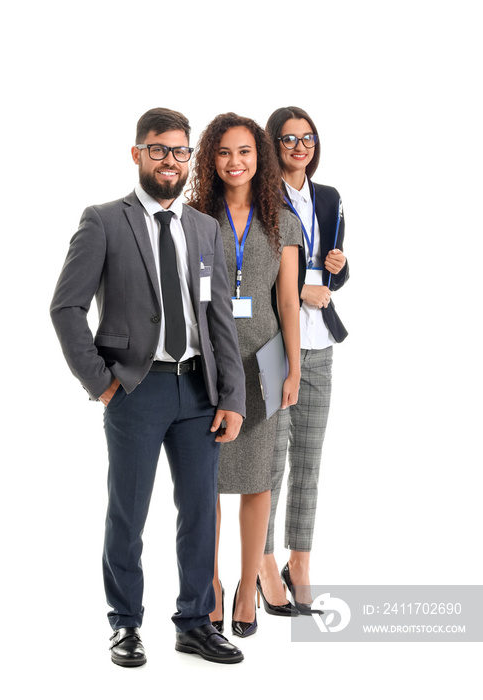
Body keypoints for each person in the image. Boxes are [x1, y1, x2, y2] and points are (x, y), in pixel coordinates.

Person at [50, 108, 247, 666]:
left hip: (199, 394)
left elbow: (220, 321)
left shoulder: (204, 228)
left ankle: (193, 622)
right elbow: (66, 308)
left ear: (189, 159)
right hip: (135, 392)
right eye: (158, 150)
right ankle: (126, 624)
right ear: (137, 154)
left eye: (180, 151)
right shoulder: (104, 220)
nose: (170, 161)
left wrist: (231, 397)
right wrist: (104, 386)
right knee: (128, 513)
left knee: (200, 513)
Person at [188, 113, 301, 637]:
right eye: (224, 152)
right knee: (203, 482)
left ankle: (245, 585)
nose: (236, 162)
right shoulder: (194, 216)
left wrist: (295, 368)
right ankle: (207, 585)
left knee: (257, 481)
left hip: (262, 364)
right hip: (205, 363)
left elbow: (287, 301)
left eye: (246, 152)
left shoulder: (282, 219)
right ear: (211, 158)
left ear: (261, 157)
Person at [259, 106, 349, 615]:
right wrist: (303, 289)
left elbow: (333, 267)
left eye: (307, 137)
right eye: (289, 138)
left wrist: (338, 268)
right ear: (274, 144)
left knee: (310, 461)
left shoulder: (330, 197)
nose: (300, 146)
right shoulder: (260, 196)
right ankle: (264, 562)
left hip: (320, 344)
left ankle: (301, 561)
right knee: (271, 460)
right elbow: (254, 273)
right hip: (274, 344)